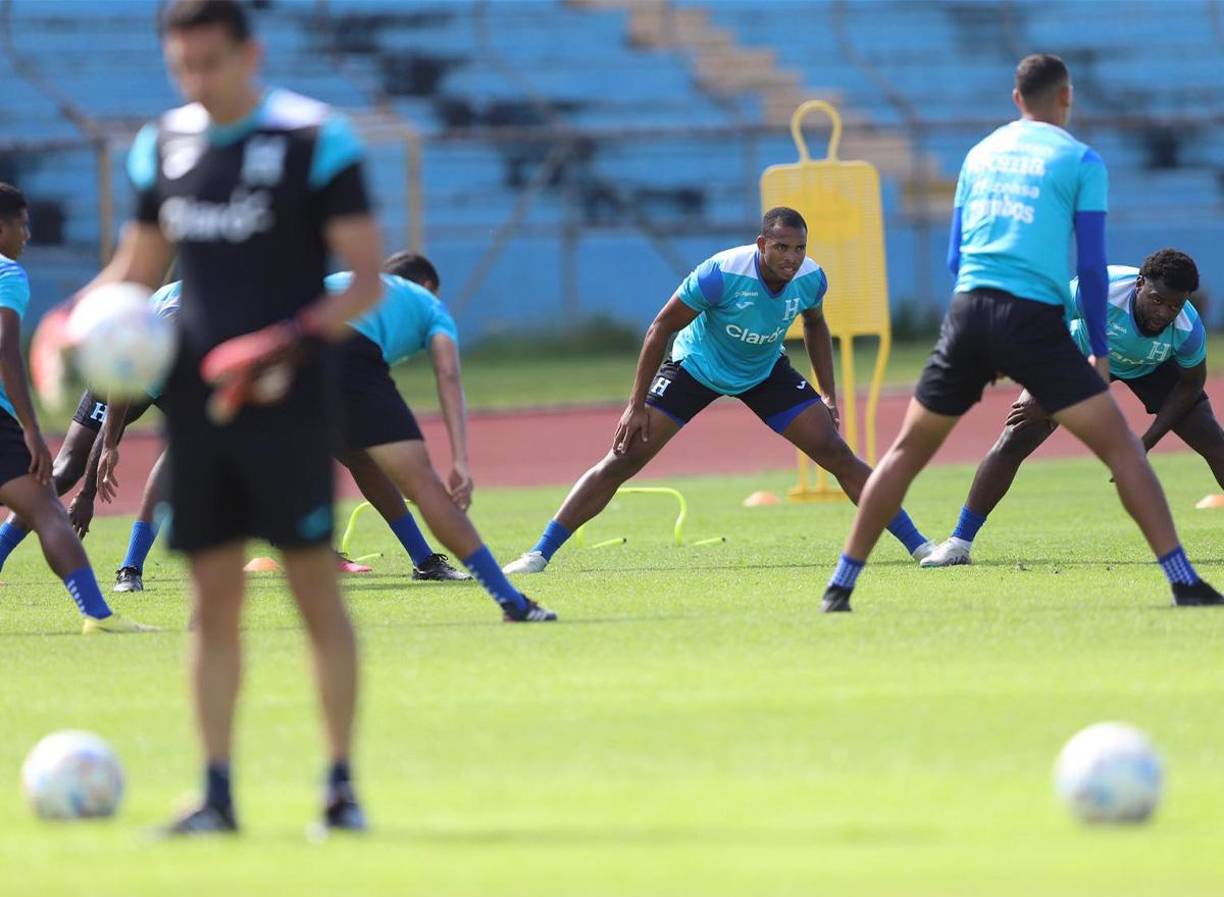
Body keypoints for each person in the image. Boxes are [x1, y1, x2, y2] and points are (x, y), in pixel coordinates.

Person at [72, 0, 385, 835]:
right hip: (197, 410)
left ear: (251, 52)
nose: (198, 82)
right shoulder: (162, 144)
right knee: (211, 602)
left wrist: (275, 343)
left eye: (212, 63)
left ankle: (341, 791)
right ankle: (216, 795)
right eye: (183, 67)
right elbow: (136, 266)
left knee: (315, 591)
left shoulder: (316, 138)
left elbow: (363, 282)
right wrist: (75, 321)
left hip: (289, 404)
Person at [821, 54, 1222, 611]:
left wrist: (979, 335)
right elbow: (1091, 264)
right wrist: (1091, 359)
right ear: (1067, 98)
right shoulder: (1081, 159)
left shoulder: (978, 153)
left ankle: (841, 585)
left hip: (967, 309)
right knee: (1123, 453)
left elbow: (954, 254)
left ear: (1016, 100)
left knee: (907, 450)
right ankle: (1183, 581)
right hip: (1032, 316)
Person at [502, 206, 934, 576]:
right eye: (781, 247)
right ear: (762, 243)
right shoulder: (719, 274)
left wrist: (827, 393)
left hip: (763, 370)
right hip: (696, 367)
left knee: (836, 452)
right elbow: (660, 328)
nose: (791, 257)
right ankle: (539, 552)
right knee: (624, 458)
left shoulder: (811, 279)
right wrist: (635, 405)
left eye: (799, 248)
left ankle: (919, 545)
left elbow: (816, 325)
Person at [923, 250, 1224, 566]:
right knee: (1016, 435)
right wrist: (1053, 402)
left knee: (1215, 444)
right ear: (1139, 284)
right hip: (1080, 353)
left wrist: (1145, 442)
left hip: (1154, 367)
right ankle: (958, 544)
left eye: (1175, 305)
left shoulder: (1189, 330)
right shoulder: (1096, 291)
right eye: (1157, 299)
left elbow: (1189, 386)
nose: (1164, 312)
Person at [328, 251, 556, 619]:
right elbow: (448, 375)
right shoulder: (429, 305)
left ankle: (212, 612)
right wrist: (460, 462)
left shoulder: (347, 280)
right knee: (425, 486)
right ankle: (512, 602)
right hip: (349, 354)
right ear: (428, 286)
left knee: (356, 457)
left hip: (285, 341)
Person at [0, 181, 151, 633]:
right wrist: (30, 427)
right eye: (22, 225)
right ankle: (99, 616)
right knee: (47, 510)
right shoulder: (8, 274)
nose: (27, 235)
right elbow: (6, 348)